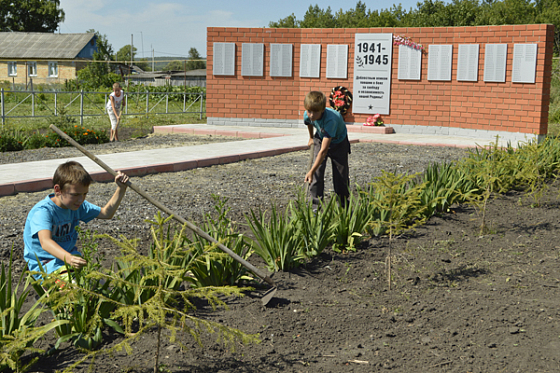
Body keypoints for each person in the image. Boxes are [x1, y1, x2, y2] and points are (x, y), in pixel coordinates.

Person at [24, 161, 129, 280]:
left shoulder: (77, 206)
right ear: (58, 190)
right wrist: (68, 258)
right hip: (46, 265)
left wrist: (121, 189)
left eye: (84, 194)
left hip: (70, 261)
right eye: (75, 194)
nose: (81, 199)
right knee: (74, 290)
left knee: (100, 287)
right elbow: (45, 242)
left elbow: (106, 213)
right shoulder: (43, 211)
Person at [303, 91, 351, 208]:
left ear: (323, 110)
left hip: (338, 142)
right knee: (317, 172)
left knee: (340, 175)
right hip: (320, 137)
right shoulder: (307, 113)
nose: (311, 115)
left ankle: (343, 206)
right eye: (309, 111)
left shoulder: (331, 120)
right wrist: (310, 138)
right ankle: (315, 207)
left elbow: (323, 151)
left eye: (315, 112)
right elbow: (309, 122)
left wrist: (310, 171)